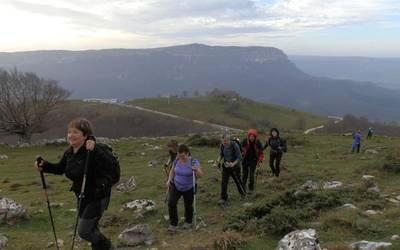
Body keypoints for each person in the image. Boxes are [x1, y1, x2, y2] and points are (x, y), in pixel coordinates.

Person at [35, 118, 115, 250]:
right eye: (69, 132)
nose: (70, 135)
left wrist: (95, 149)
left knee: (84, 231)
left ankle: (108, 247)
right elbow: (60, 168)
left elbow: (110, 165)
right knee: (91, 228)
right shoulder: (70, 152)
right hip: (81, 195)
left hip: (97, 195)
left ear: (85, 135)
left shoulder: (94, 151)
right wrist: (45, 165)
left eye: (75, 132)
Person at [166, 144, 203, 232]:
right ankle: (173, 224)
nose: (181, 157)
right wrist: (169, 180)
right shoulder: (177, 160)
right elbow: (172, 170)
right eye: (179, 155)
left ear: (187, 153)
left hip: (189, 187)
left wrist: (196, 170)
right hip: (176, 185)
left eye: (183, 156)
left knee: (188, 205)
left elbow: (201, 175)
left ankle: (188, 221)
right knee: (171, 202)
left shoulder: (194, 162)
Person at [214, 133, 246, 206]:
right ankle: (223, 198)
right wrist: (217, 161)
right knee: (224, 182)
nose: (224, 143)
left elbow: (240, 157)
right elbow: (221, 154)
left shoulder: (235, 145)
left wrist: (233, 164)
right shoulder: (222, 146)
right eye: (223, 141)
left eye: (225, 141)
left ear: (229, 140)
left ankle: (243, 194)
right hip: (226, 166)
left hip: (235, 167)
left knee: (238, 181)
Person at [241, 129, 264, 194]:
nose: (252, 138)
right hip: (245, 160)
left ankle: (251, 189)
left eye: (253, 137)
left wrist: (260, 160)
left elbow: (261, 152)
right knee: (244, 175)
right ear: (248, 136)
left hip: (253, 160)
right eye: (250, 136)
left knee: (251, 176)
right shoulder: (244, 141)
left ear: (255, 137)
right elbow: (239, 149)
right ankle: (243, 188)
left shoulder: (257, 142)